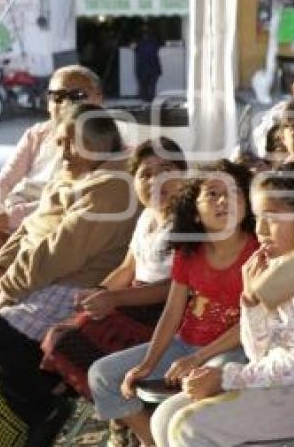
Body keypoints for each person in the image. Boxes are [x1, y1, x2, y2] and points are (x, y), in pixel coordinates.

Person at [150, 163, 294, 447]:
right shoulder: (282, 268)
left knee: (188, 429)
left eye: (274, 218)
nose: (262, 230)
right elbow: (258, 354)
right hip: (280, 384)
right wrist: (251, 300)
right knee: (164, 417)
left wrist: (226, 377)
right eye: (257, 218)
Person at [0, 104, 139, 447]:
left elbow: (58, 252)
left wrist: (6, 287)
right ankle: (16, 397)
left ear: (100, 143)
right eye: (60, 142)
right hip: (40, 276)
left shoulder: (111, 185)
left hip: (75, 284)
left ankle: (46, 409)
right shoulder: (72, 175)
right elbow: (31, 229)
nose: (61, 153)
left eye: (70, 143)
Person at [0, 65, 103, 395]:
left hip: (47, 246)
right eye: (56, 96)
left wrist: (5, 222)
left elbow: (62, 202)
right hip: (6, 233)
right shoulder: (37, 134)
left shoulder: (104, 143)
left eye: (76, 95)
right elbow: (2, 182)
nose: (64, 103)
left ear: (99, 99)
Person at [88, 160, 259, 447]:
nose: (223, 200)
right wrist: (147, 363)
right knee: (102, 376)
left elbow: (253, 321)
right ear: (194, 212)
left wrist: (199, 358)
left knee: (196, 395)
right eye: (213, 193)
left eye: (234, 192)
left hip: (234, 349)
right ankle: (150, 441)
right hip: (184, 345)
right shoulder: (188, 251)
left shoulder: (258, 252)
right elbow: (172, 311)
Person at [40, 137, 188, 402]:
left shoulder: (187, 223)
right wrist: (98, 292)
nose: (155, 181)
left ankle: (126, 413)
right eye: (146, 174)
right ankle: (118, 411)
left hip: (163, 311)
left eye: (166, 170)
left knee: (67, 342)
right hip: (134, 300)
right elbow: (128, 266)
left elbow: (174, 288)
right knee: (62, 332)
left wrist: (115, 298)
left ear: (184, 176)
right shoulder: (145, 217)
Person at [134, 25, 162, 102]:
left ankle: (146, 97)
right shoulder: (154, 40)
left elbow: (136, 49)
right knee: (150, 85)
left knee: (146, 84)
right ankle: (149, 98)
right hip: (152, 66)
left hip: (146, 66)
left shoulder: (140, 42)